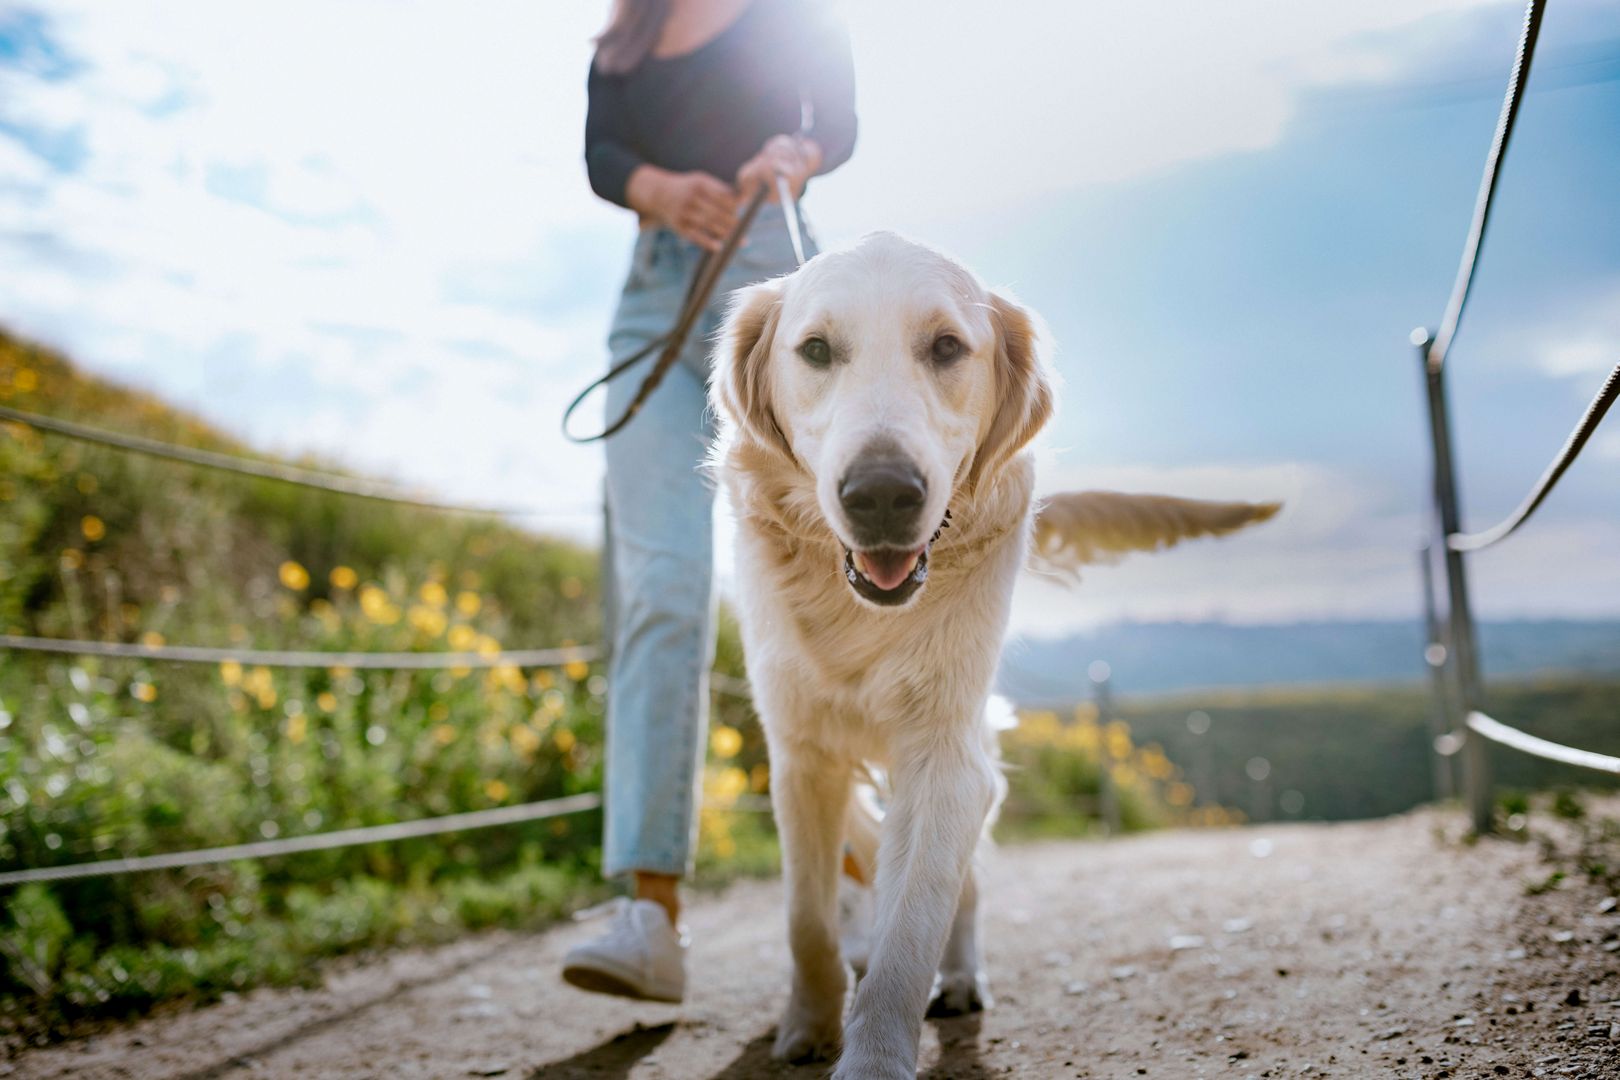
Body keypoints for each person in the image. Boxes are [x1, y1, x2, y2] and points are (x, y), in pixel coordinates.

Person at [562, 0, 857, 1003]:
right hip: (650, 298)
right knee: (665, 582)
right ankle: (650, 914)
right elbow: (603, 151)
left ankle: (861, 866)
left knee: (823, 575)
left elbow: (841, 121)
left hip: (776, 285)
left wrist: (796, 150)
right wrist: (655, 185)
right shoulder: (626, 37)